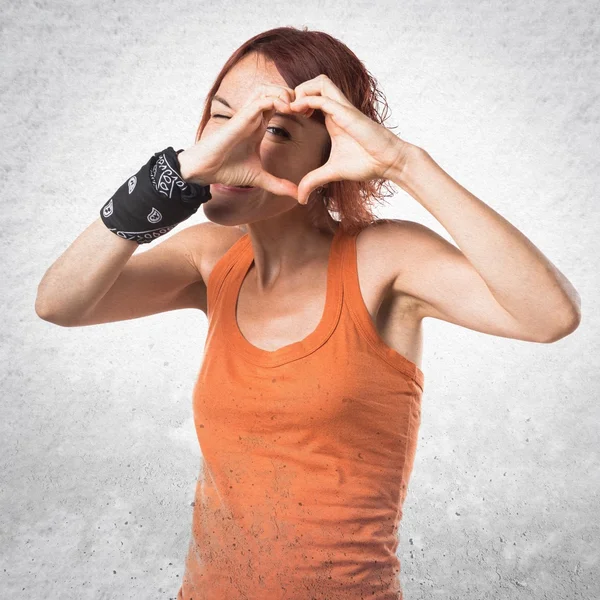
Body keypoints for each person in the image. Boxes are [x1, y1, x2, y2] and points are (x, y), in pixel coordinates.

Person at [35, 26, 581, 600]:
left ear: (331, 151)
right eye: (222, 117)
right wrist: (166, 181)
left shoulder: (385, 260)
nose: (234, 145)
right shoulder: (209, 257)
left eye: (273, 128)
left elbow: (549, 316)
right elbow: (59, 303)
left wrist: (402, 163)